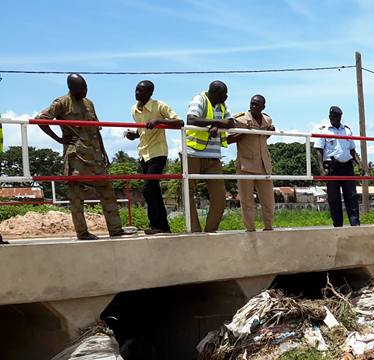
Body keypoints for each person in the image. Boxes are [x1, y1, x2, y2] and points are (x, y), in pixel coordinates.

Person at [36, 73, 125, 240]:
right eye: (80, 88)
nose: (84, 91)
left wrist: (104, 152)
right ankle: (82, 232)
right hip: (76, 156)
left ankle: (116, 229)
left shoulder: (89, 103)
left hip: (95, 156)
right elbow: (41, 119)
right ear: (71, 88)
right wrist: (59, 139)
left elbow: (96, 129)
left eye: (85, 88)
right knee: (76, 195)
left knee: (107, 190)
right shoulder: (62, 102)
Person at [126, 80, 183, 234]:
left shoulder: (159, 106)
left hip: (158, 152)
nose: (137, 93)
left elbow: (179, 122)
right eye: (136, 90)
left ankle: (157, 225)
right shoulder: (134, 109)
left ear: (150, 93)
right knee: (154, 191)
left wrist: (158, 121)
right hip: (143, 154)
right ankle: (161, 227)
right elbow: (143, 131)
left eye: (141, 91)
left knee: (148, 189)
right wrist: (134, 134)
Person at [185, 80, 235, 233]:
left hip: (213, 157)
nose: (226, 97)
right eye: (223, 94)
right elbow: (191, 119)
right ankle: (194, 230)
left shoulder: (222, 105)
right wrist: (217, 122)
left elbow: (231, 122)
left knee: (220, 196)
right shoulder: (199, 99)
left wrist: (217, 125)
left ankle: (210, 231)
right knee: (188, 192)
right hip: (193, 153)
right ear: (214, 93)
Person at [227, 95, 275, 232]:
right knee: (247, 201)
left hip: (264, 165)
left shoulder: (267, 120)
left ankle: (269, 228)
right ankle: (250, 230)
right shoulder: (240, 119)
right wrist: (244, 132)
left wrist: (270, 132)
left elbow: (262, 137)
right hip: (245, 165)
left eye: (257, 104)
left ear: (263, 107)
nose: (253, 106)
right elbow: (228, 139)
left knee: (268, 201)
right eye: (252, 104)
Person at [316, 106, 361, 227]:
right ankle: (338, 226)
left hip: (347, 167)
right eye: (334, 116)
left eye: (339, 116)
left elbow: (352, 150)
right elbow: (319, 150)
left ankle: (355, 225)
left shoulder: (347, 130)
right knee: (334, 199)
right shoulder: (324, 131)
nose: (336, 118)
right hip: (332, 168)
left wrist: (360, 165)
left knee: (352, 197)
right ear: (330, 116)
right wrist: (321, 169)